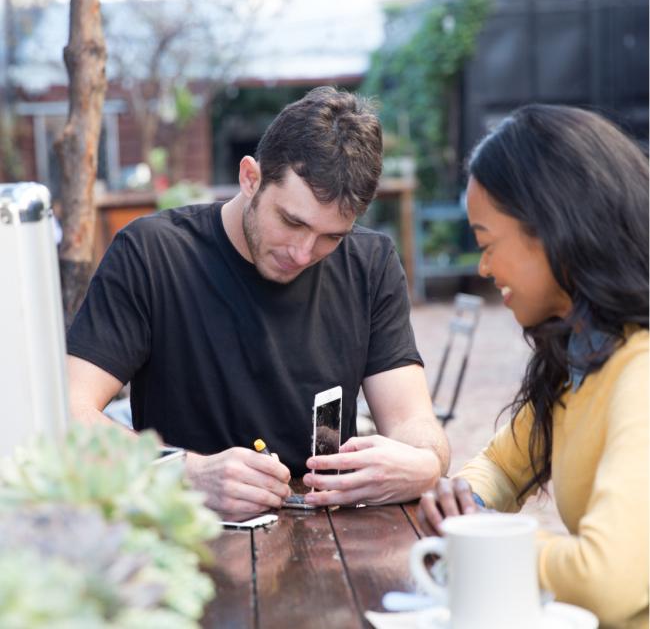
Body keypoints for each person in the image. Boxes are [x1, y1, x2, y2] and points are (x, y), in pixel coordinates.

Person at [67, 86, 449, 520]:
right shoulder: (151, 255)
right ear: (251, 178)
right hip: (182, 534)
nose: (303, 253)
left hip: (331, 544)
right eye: (291, 221)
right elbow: (66, 412)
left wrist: (425, 463)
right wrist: (184, 474)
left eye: (331, 237)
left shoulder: (370, 264)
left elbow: (413, 422)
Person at [416, 105, 648, 628]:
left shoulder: (640, 372)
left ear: (551, 229)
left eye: (487, 243)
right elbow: (503, 463)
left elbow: (605, 581)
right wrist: (465, 498)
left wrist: (485, 541)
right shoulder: (584, 356)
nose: (483, 267)